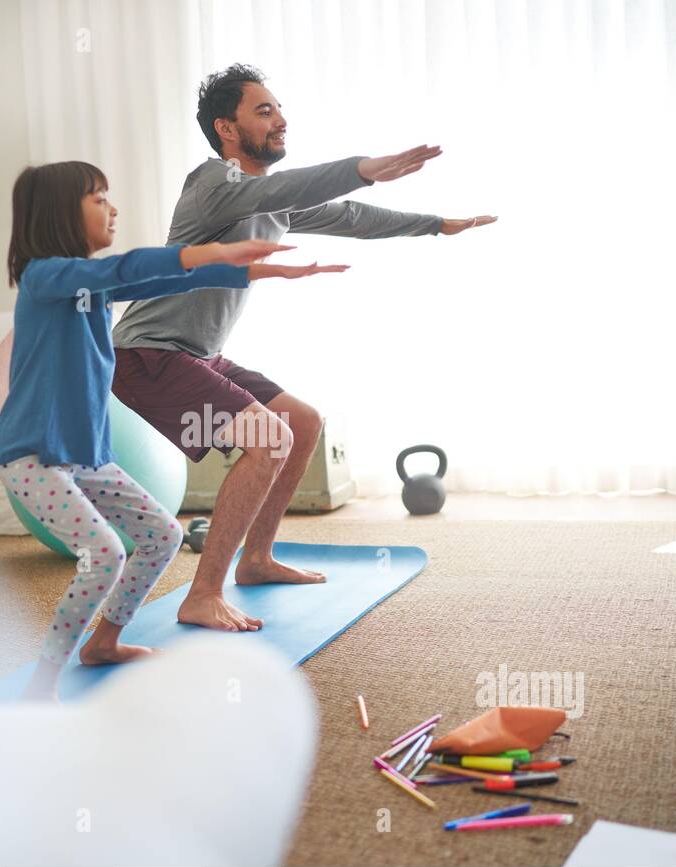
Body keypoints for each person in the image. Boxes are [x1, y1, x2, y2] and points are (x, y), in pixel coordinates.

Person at [112, 64, 497, 632]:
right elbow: (287, 188)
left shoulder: (270, 199)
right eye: (263, 111)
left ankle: (259, 559)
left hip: (194, 351)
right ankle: (203, 593)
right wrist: (362, 168)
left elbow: (352, 217)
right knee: (270, 440)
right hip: (148, 353)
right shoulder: (212, 182)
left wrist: (437, 225)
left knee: (302, 421)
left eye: (279, 109)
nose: (281, 120)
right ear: (226, 127)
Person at [0, 160, 346, 698]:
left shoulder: (85, 289)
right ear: (61, 213)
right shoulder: (47, 279)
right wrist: (216, 251)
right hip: (31, 458)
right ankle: (40, 686)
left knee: (163, 535)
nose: (113, 208)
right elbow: (124, 269)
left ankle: (104, 642)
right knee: (105, 553)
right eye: (98, 199)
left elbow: (156, 277)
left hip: (86, 458)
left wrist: (249, 270)